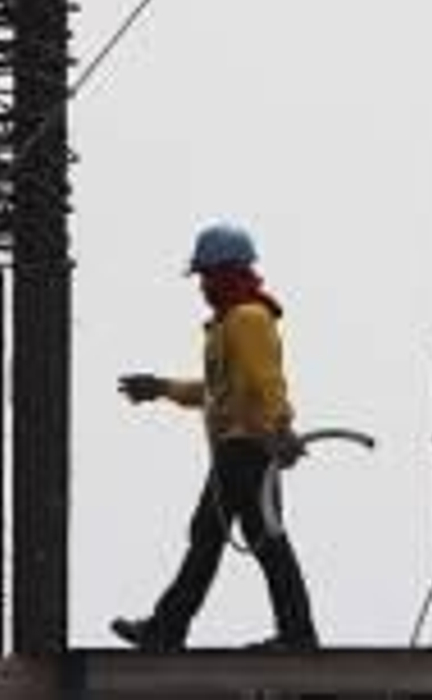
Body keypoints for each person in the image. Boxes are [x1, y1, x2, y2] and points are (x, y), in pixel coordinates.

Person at [110, 222, 319, 652]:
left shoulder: (248, 319)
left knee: (218, 537)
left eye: (207, 275)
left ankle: (169, 629)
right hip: (239, 449)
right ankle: (294, 633)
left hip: (249, 447)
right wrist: (162, 388)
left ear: (227, 273)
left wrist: (281, 428)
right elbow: (216, 394)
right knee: (251, 540)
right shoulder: (228, 326)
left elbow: (268, 381)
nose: (203, 285)